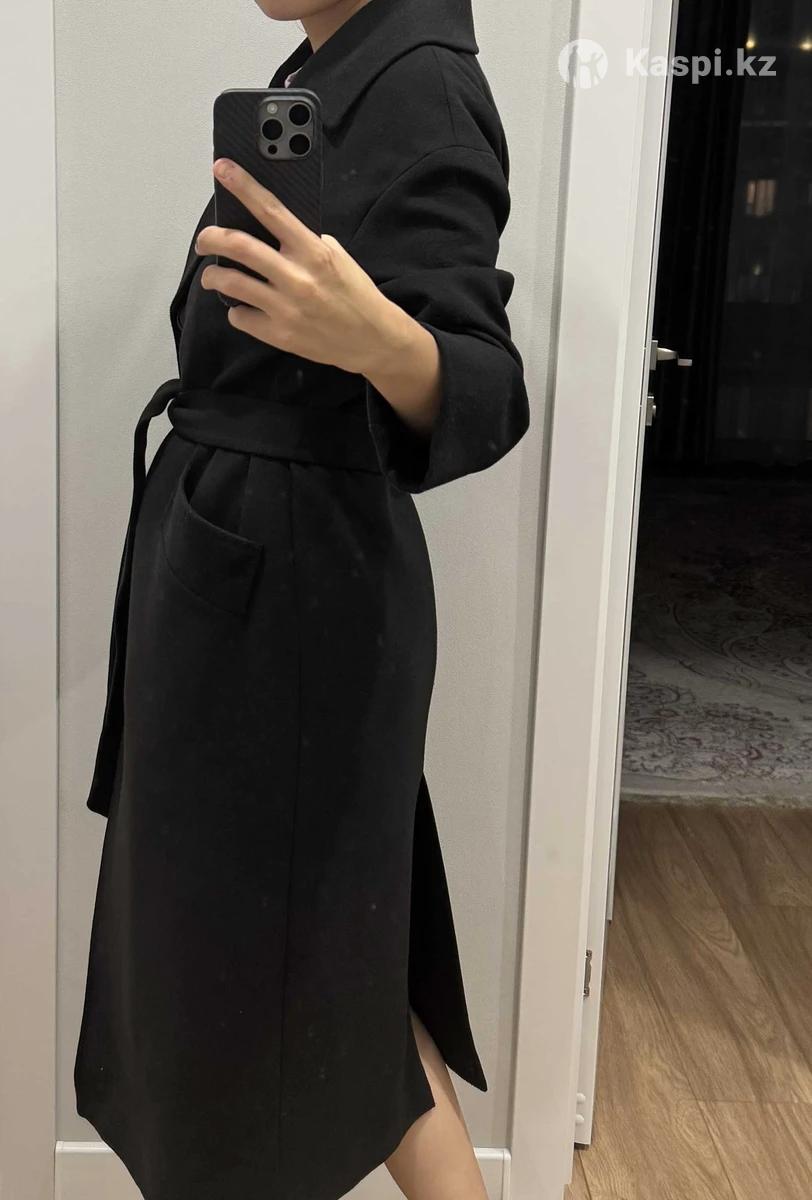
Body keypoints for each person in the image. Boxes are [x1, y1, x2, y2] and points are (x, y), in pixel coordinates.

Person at [73, 1, 530, 1198]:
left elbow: (485, 388)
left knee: (278, 979)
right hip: (255, 576)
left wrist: (375, 338)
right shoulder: (335, 62)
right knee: (329, 976)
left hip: (292, 606)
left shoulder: (421, 85)